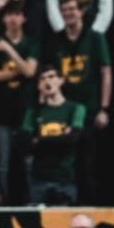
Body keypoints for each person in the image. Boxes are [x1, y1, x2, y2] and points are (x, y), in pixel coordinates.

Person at [0, 1, 39, 202]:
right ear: (3, 18)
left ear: (24, 18)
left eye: (17, 14)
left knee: (28, 162)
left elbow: (30, 71)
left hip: (26, 112)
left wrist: (8, 49)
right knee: (3, 163)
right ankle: (4, 204)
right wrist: (21, 67)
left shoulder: (29, 43)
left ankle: (30, 202)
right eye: (9, 14)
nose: (13, 18)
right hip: (1, 113)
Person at [45, 0, 113, 131]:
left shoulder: (95, 38)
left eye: (72, 9)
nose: (68, 13)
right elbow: (48, 74)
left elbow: (106, 73)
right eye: (64, 10)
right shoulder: (55, 40)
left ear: (81, 11)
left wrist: (104, 109)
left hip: (91, 109)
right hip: (64, 109)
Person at [22, 66, 85, 206]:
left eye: (51, 77)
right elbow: (26, 144)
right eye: (43, 79)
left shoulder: (75, 108)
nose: (47, 82)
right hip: (38, 178)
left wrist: (39, 140)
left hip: (65, 178)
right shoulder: (33, 112)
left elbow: (73, 139)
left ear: (61, 80)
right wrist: (62, 138)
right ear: (39, 86)